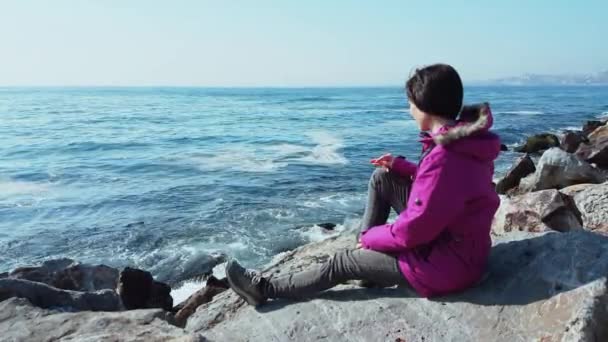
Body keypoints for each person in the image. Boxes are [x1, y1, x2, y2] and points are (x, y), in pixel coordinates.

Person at [225, 64, 501, 306]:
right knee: (383, 178)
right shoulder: (464, 142)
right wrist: (400, 166)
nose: (409, 109)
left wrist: (370, 239)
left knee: (341, 262)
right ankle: (370, 269)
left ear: (423, 106)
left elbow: (415, 231)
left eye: (411, 103)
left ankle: (263, 288)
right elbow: (445, 189)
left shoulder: (445, 155)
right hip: (458, 246)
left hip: (444, 265)